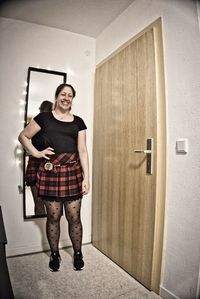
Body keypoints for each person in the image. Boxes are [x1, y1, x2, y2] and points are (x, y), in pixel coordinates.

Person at [18, 84, 90, 271]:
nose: (66, 98)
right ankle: (55, 254)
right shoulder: (44, 118)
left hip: (73, 173)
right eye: (63, 94)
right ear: (57, 96)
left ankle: (78, 253)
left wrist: (86, 178)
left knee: (74, 217)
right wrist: (36, 153)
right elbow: (23, 136)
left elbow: (82, 150)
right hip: (51, 173)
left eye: (70, 95)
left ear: (72, 99)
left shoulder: (79, 122)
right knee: (53, 217)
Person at [25, 100, 53, 216]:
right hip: (45, 163)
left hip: (41, 164)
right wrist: (37, 153)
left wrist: (35, 153)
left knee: (40, 203)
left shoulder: (33, 124)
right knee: (50, 203)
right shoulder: (48, 124)